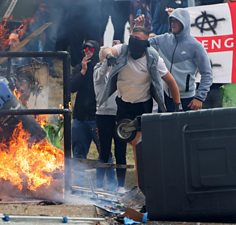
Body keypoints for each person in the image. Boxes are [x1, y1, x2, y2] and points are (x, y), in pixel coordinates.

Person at [99, 27, 181, 173]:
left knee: (141, 145)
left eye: (139, 39)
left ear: (146, 43)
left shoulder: (153, 58)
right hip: (123, 103)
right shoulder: (123, 50)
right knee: (120, 143)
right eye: (133, 38)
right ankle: (119, 186)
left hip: (143, 106)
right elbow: (106, 49)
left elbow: (171, 82)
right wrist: (109, 56)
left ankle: (145, 178)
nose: (135, 42)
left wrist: (177, 106)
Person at [136, 8, 213, 111]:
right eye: (171, 20)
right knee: (164, 127)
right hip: (165, 97)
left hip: (187, 99)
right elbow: (140, 45)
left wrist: (199, 98)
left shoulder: (195, 46)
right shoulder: (163, 40)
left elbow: (207, 74)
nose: (173, 23)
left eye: (176, 20)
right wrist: (139, 28)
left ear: (184, 23)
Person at [94, 46, 126, 192]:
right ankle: (99, 184)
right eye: (106, 54)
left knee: (121, 150)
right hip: (103, 114)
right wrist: (107, 60)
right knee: (104, 151)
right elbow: (101, 76)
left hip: (119, 114)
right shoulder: (97, 70)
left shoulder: (118, 69)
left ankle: (120, 185)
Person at [70, 40, 102, 186]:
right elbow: (71, 87)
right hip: (80, 117)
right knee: (78, 154)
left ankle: (107, 185)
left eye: (90, 49)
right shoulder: (80, 67)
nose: (87, 52)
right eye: (85, 49)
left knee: (105, 153)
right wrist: (82, 72)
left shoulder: (102, 67)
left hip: (97, 117)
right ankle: (78, 186)